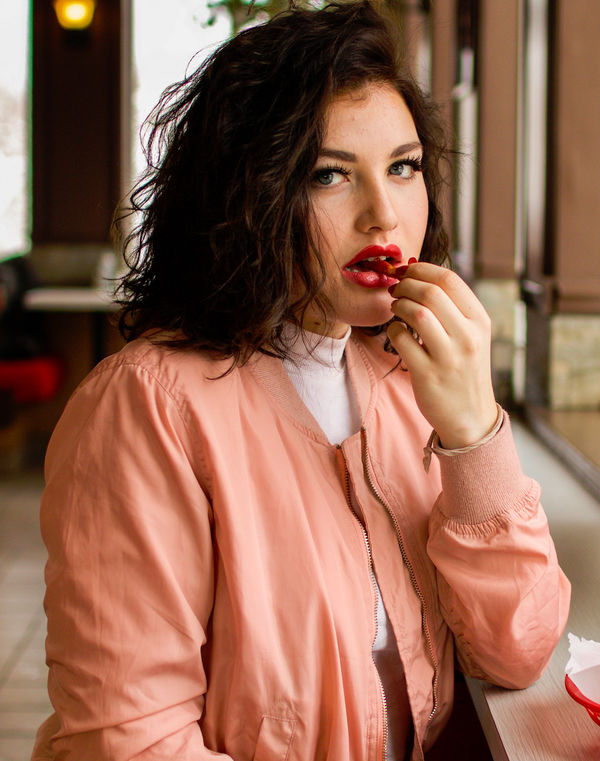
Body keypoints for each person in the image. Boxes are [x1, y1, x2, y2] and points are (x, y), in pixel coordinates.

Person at [32, 2, 570, 760]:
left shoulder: (401, 376)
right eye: (328, 175)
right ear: (251, 196)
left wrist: (473, 428)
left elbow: (520, 649)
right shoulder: (149, 406)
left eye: (403, 166)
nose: (383, 214)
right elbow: (131, 742)